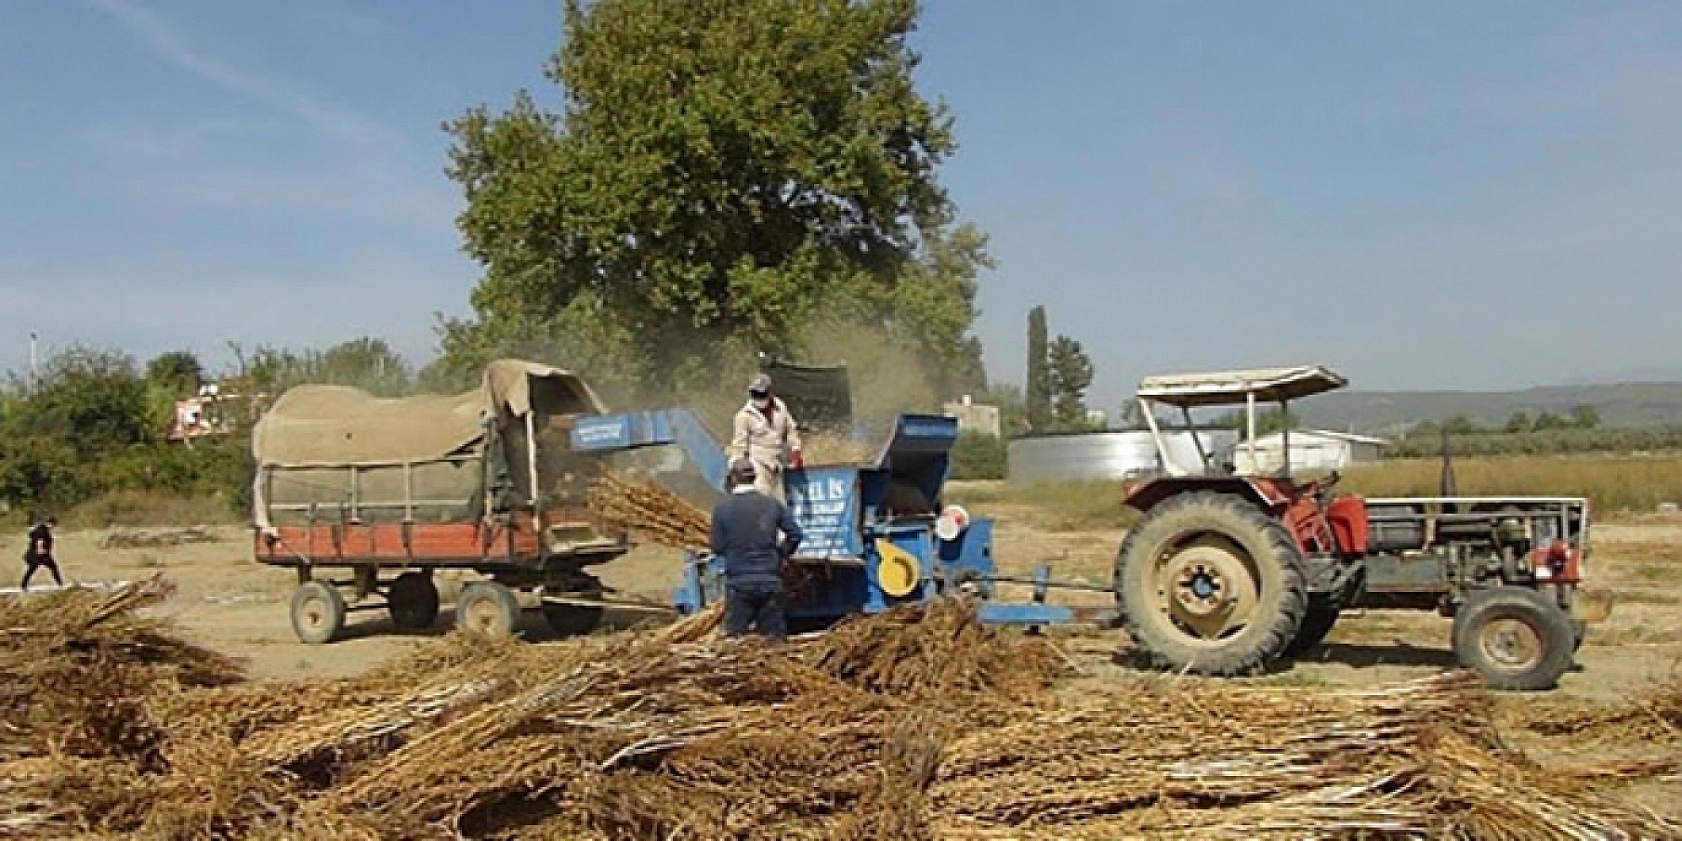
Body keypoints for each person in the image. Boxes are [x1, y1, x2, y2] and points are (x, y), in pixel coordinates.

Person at [709, 458, 802, 642]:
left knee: (736, 642)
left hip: (739, 583)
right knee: (774, 642)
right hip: (769, 580)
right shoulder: (771, 504)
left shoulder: (722, 510)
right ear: (754, 478)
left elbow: (717, 547)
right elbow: (795, 534)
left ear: (732, 479)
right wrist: (779, 554)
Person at [729, 373, 803, 503]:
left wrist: (795, 448)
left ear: (769, 393)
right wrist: (735, 470)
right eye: (755, 394)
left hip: (776, 465)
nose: (759, 398)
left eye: (762, 394)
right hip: (758, 467)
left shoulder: (780, 407)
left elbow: (790, 428)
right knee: (763, 504)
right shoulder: (743, 416)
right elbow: (739, 446)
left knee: (779, 506)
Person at [22, 515, 63, 591]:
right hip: (40, 554)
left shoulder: (40, 529)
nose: (54, 528)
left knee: (32, 569)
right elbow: (40, 541)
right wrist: (40, 549)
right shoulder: (43, 531)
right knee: (53, 567)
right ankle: (60, 585)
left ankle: (23, 586)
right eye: (54, 525)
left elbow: (31, 535)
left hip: (35, 554)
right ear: (50, 523)